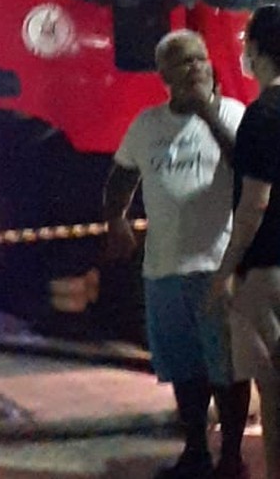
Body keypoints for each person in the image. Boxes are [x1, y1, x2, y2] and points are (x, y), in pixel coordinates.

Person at [104, 29, 250, 479]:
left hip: (215, 267)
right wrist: (117, 221)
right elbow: (120, 178)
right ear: (163, 75)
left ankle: (230, 457)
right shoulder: (147, 126)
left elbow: (248, 167)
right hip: (163, 271)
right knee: (184, 369)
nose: (196, 69)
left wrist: (209, 115)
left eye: (201, 60)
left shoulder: (234, 115)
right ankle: (195, 452)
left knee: (226, 368)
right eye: (184, 62)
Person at [213, 5, 280, 479]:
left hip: (267, 273)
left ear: (257, 50)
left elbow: (254, 204)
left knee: (273, 393)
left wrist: (224, 270)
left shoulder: (262, 115)